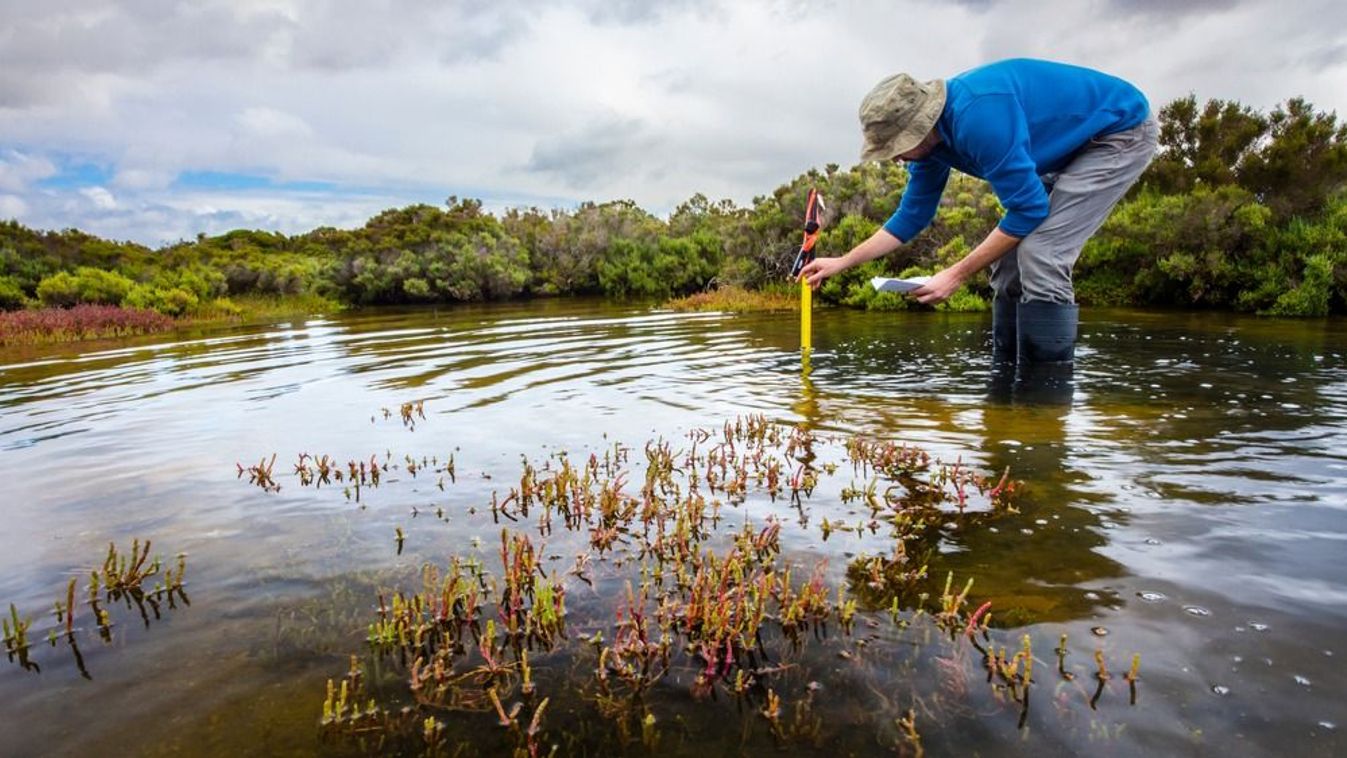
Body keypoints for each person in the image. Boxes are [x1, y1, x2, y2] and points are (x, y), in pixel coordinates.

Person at [800, 58, 1158, 366]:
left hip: (1117, 134)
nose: (896, 156)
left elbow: (1028, 210)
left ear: (921, 128)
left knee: (1041, 253)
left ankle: (1043, 399)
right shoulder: (930, 147)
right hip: (1067, 148)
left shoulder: (979, 118)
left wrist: (955, 275)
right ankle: (1006, 383)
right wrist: (842, 262)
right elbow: (912, 215)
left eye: (899, 146)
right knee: (1005, 262)